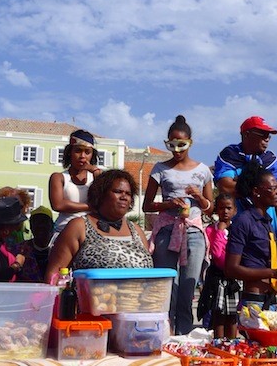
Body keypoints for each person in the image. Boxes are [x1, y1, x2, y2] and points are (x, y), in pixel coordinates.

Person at [142, 115, 212, 334]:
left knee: (188, 286)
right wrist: (167, 204)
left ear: (190, 142)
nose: (177, 149)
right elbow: (146, 205)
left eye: (181, 144)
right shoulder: (160, 168)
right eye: (171, 144)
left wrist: (198, 197)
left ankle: (184, 334)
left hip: (192, 229)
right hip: (166, 229)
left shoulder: (202, 171)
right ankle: (164, 333)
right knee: (166, 285)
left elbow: (210, 208)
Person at [46, 170, 152, 279]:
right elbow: (54, 274)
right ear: (101, 194)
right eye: (117, 191)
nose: (124, 197)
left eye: (128, 194)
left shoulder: (137, 231)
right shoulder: (79, 227)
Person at [225, 162, 277, 312]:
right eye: (272, 188)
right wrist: (274, 273)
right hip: (254, 300)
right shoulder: (244, 221)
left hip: (273, 298)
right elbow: (231, 268)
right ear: (256, 191)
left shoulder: (268, 222)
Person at [214, 116, 277, 232]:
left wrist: (241, 184)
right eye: (263, 134)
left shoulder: (271, 159)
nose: (267, 139)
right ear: (246, 134)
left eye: (269, 135)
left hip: (267, 224)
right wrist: (262, 190)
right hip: (238, 225)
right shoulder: (230, 155)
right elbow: (225, 186)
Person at [199, 194, 240, 340]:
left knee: (232, 314)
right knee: (219, 313)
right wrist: (220, 232)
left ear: (235, 210)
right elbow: (216, 253)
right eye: (222, 208)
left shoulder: (238, 229)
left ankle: (232, 343)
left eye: (229, 208)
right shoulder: (211, 230)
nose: (225, 212)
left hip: (234, 277)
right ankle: (219, 343)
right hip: (219, 277)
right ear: (217, 210)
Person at [49, 130, 101, 239]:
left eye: (87, 152)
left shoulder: (96, 176)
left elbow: (104, 200)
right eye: (78, 151)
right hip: (63, 231)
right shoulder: (58, 177)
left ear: (92, 155)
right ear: (69, 152)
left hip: (91, 233)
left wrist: (95, 171)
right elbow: (58, 205)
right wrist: (90, 207)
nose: (82, 156)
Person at [9, 206, 54, 282]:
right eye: (36, 222)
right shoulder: (20, 250)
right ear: (31, 226)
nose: (40, 226)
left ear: (51, 225)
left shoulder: (59, 249)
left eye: (44, 222)